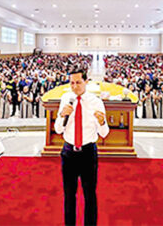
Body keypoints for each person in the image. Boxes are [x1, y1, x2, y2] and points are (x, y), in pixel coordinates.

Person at [54, 69, 109, 226]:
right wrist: (61, 116)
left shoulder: (96, 102)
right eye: (72, 83)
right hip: (68, 153)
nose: (75, 86)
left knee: (90, 195)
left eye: (78, 82)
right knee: (69, 195)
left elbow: (104, 133)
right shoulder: (66, 99)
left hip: (88, 153)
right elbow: (58, 129)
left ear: (86, 82)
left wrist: (102, 122)